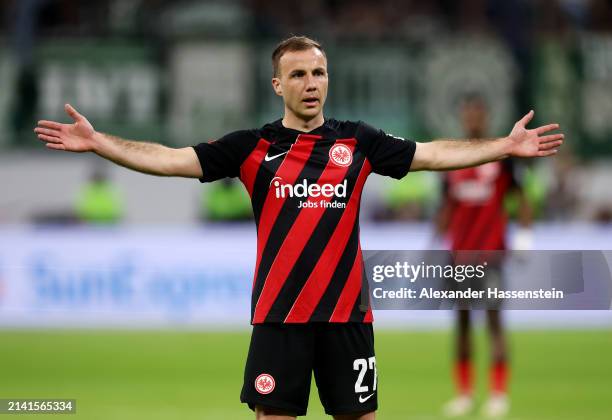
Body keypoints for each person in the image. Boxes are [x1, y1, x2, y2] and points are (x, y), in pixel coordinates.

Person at [34, 36, 563, 420]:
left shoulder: (358, 141)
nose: (311, 84)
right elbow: (171, 159)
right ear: (277, 84)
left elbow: (432, 154)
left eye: (319, 72)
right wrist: (101, 141)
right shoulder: (251, 147)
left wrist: (503, 144)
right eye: (298, 74)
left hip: (347, 316)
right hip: (279, 318)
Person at [437, 94, 533, 418]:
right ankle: (464, 395)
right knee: (462, 325)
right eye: (468, 113)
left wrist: (524, 235)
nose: (473, 119)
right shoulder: (452, 156)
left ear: (486, 116)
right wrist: (435, 242)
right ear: (463, 118)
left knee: (493, 323)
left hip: (490, 253)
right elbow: (447, 205)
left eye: (478, 113)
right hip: (459, 255)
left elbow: (520, 197)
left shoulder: (503, 156)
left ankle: (497, 394)